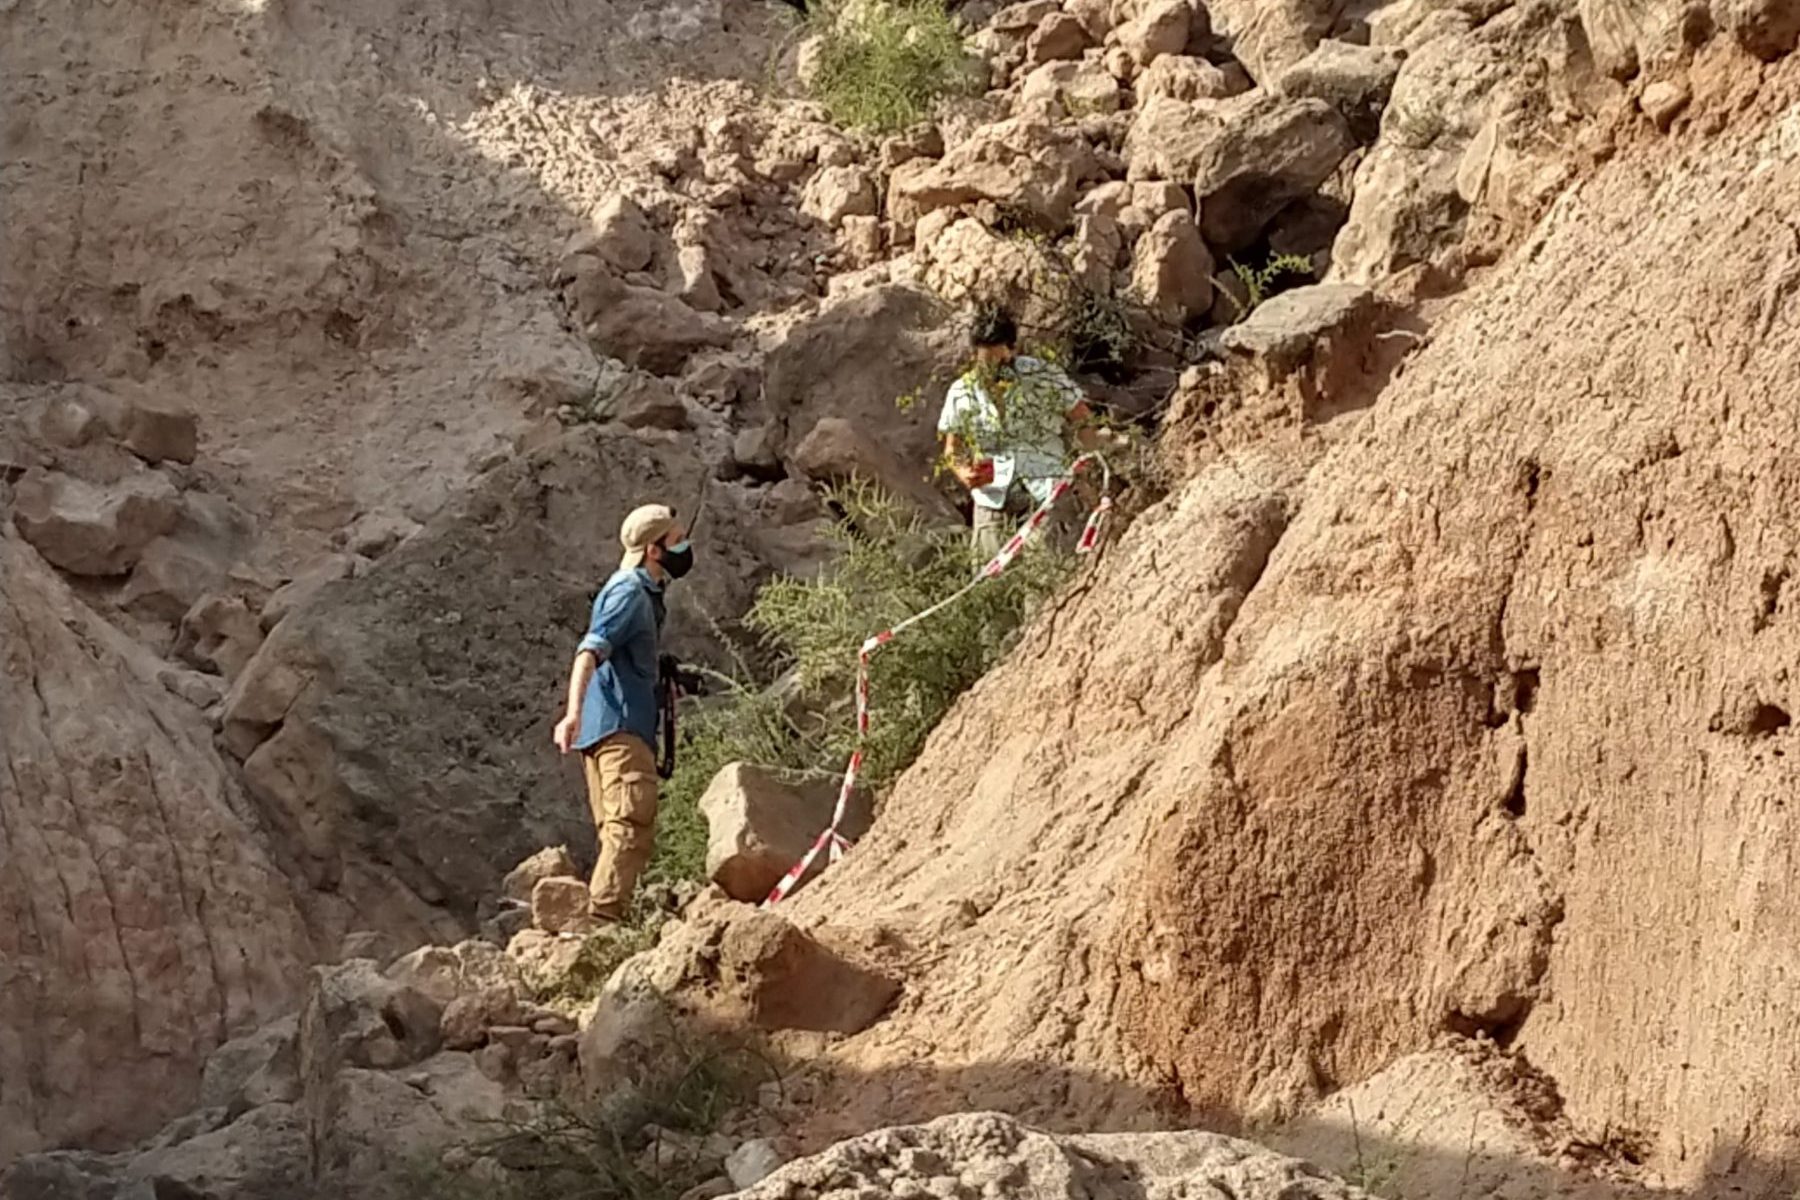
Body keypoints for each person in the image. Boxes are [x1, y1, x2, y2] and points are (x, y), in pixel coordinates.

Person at [552, 504, 695, 924]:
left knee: (616, 830)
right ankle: (601, 925)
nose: (684, 546)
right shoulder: (630, 592)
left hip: (612, 728)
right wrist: (571, 714)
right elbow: (588, 651)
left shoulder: (640, 593)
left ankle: (604, 922)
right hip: (620, 730)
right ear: (654, 549)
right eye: (676, 539)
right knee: (630, 826)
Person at [936, 308, 1095, 558]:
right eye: (986, 363)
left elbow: (1083, 419)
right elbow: (951, 450)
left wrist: (1087, 471)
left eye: (1001, 361)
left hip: (1046, 488)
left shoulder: (1043, 376)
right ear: (974, 354)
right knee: (991, 581)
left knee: (1046, 570)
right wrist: (964, 472)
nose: (995, 371)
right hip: (992, 496)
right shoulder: (961, 392)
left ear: (1012, 350)